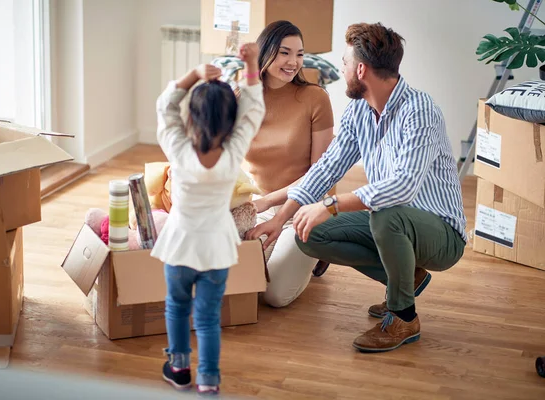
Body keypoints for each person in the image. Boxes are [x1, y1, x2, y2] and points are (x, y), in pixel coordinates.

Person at [248, 22, 467, 353]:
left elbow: (402, 188)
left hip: (440, 232)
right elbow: (325, 168)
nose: (342, 68)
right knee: (310, 231)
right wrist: (283, 217)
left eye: (345, 63)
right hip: (393, 222)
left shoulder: (420, 111)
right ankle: (405, 279)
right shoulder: (360, 111)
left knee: (386, 215)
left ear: (360, 69)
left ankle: (403, 317)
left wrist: (332, 204)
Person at [151, 43, 265, 395]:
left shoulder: (178, 148)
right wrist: (250, 65)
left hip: (180, 244)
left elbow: (165, 105)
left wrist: (195, 75)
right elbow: (254, 109)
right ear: (230, 121)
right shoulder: (233, 153)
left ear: (192, 117)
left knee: (177, 306)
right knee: (208, 318)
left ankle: (180, 368)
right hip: (216, 247)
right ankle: (209, 380)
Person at [243, 20, 335, 308]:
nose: (293, 62)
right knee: (233, 279)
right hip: (255, 205)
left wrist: (269, 203)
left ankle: (319, 251)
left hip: (303, 208)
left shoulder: (314, 98)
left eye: (299, 54)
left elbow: (320, 175)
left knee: (273, 295)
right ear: (265, 51)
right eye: (285, 53)